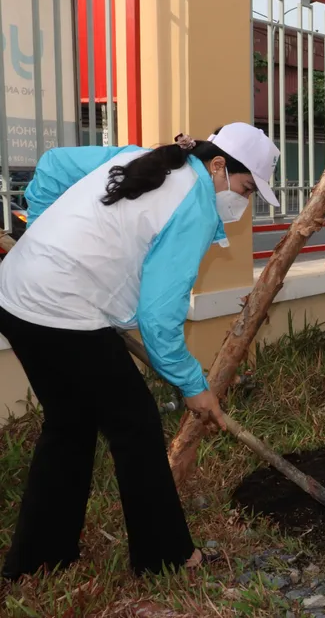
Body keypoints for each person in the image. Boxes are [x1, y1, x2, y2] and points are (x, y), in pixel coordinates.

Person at [0, 123, 280, 580]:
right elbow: (158, 318)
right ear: (218, 165)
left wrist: (44, 240)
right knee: (136, 425)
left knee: (69, 424)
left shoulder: (141, 157)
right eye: (246, 188)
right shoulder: (194, 203)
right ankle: (164, 556)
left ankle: (39, 560)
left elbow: (52, 166)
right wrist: (193, 385)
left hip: (16, 296)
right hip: (62, 312)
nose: (243, 203)